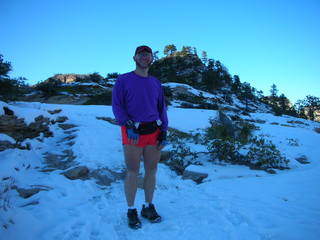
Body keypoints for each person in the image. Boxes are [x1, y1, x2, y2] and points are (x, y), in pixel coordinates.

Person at [112, 45, 168, 229]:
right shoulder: (123, 80)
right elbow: (117, 106)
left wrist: (164, 131)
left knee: (152, 171)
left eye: (148, 55)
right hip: (132, 133)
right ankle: (131, 210)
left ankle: (148, 206)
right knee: (133, 172)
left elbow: (161, 108)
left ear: (152, 58)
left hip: (154, 132)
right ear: (134, 58)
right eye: (141, 54)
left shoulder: (155, 83)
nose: (145, 57)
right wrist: (126, 124)